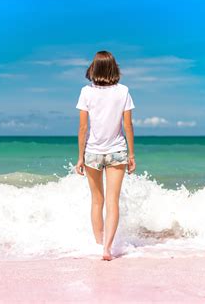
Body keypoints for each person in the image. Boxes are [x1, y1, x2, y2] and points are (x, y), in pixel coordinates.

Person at [75, 50, 136, 261]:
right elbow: (128, 125)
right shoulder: (123, 91)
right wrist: (132, 154)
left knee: (96, 202)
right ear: (113, 68)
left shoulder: (86, 92)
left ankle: (98, 244)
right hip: (117, 150)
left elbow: (83, 128)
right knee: (112, 201)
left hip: (92, 151)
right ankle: (107, 249)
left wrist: (80, 157)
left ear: (94, 68)